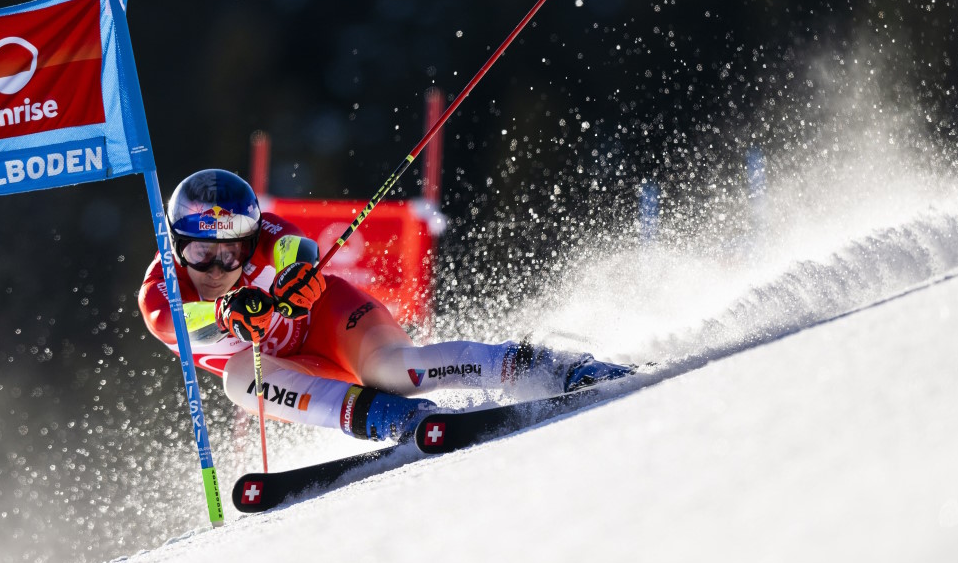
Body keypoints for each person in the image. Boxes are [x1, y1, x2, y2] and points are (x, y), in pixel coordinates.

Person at [139, 169, 632, 442]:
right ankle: (390, 419)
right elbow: (181, 325)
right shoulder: (160, 287)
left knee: (398, 371)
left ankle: (548, 366)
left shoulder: (266, 232)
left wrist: (295, 278)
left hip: (333, 323)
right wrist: (227, 312)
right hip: (293, 370)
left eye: (233, 251)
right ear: (178, 244)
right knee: (240, 378)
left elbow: (297, 248)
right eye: (202, 253)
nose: (219, 266)